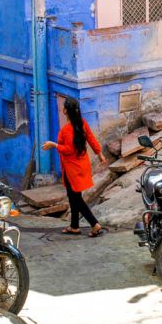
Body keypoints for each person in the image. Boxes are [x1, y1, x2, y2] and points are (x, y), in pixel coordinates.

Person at [42, 97, 106, 237]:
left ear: (65, 111)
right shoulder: (82, 123)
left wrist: (53, 145)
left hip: (72, 169)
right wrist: (99, 154)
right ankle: (74, 226)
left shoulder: (66, 130)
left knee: (76, 198)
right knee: (73, 197)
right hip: (81, 165)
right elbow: (91, 138)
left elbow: (68, 149)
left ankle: (94, 224)